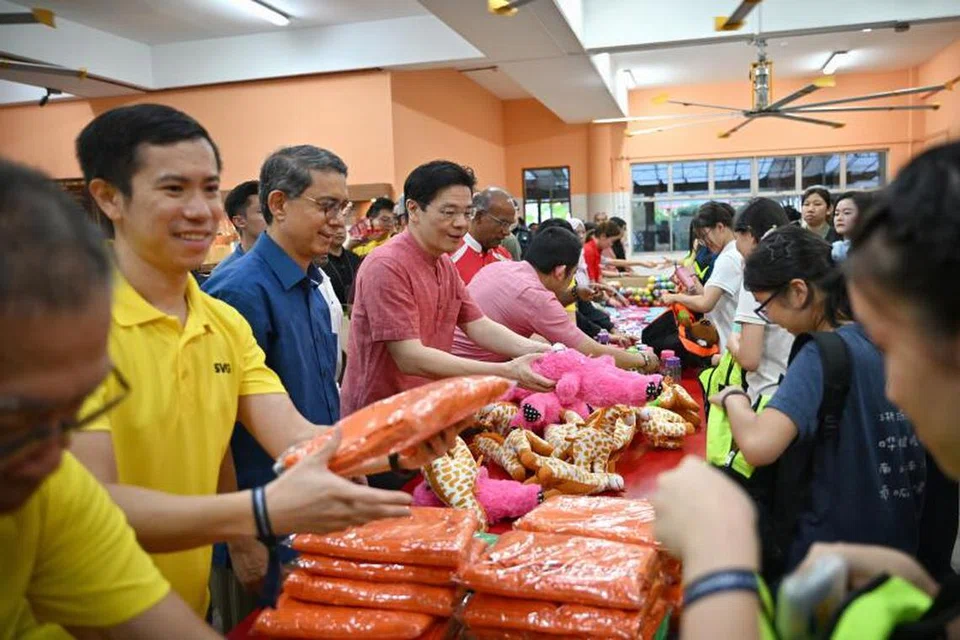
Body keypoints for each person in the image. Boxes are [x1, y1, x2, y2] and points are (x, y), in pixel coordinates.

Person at [69, 104, 455, 616]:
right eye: (173, 189)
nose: (202, 210)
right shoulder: (69, 332)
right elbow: (92, 508)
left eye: (209, 188)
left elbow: (296, 436)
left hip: (184, 594)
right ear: (109, 197)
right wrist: (253, 518)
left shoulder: (219, 322)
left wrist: (391, 451)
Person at [651, 141, 960, 640]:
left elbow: (759, 442)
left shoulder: (824, 353)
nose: (896, 389)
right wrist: (919, 584)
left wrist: (720, 552)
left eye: (898, 346)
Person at [0, 158, 220, 639]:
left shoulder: (52, 486)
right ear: (110, 199)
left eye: (79, 408)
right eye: (17, 420)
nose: (52, 455)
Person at [716, 225, 926, 574]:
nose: (771, 321)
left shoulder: (821, 354)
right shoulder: (884, 337)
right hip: (898, 549)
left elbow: (757, 444)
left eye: (766, 309)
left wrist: (735, 397)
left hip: (830, 562)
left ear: (798, 292)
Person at [341, 160, 554, 483]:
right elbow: (410, 356)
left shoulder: (442, 263)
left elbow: (478, 324)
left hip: (424, 418)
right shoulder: (386, 265)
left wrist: (545, 353)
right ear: (414, 209)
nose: (460, 223)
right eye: (448, 212)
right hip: (380, 428)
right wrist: (505, 372)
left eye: (467, 213)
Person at [451, 226, 657, 372]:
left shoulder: (502, 267)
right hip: (474, 376)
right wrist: (643, 359)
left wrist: (575, 294)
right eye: (573, 273)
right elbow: (589, 350)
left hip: (454, 362)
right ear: (560, 271)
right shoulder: (535, 296)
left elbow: (531, 312)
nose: (572, 280)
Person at [727, 198, 793, 403]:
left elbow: (749, 358)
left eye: (737, 237)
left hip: (767, 395)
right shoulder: (796, 265)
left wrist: (731, 343)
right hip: (798, 392)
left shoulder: (758, 278)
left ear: (750, 234)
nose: (736, 246)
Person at [661, 202, 742, 352]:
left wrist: (675, 297)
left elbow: (706, 303)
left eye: (704, 236)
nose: (705, 243)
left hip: (730, 343)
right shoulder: (730, 253)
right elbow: (708, 295)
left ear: (720, 227)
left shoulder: (728, 258)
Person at [450, 186, 515, 284]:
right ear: (479, 217)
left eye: (509, 225)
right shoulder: (451, 256)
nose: (507, 232)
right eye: (503, 223)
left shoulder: (505, 257)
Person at [213, 180, 265, 273]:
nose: (273, 217)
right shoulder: (226, 273)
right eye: (262, 212)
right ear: (240, 221)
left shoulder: (292, 261)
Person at [319, 222, 361, 306]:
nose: (339, 232)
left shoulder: (354, 257)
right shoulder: (320, 260)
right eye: (334, 228)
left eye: (342, 228)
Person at [831, 190, 873, 262]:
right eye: (836, 214)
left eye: (846, 213)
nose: (839, 218)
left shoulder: (873, 250)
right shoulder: (834, 248)